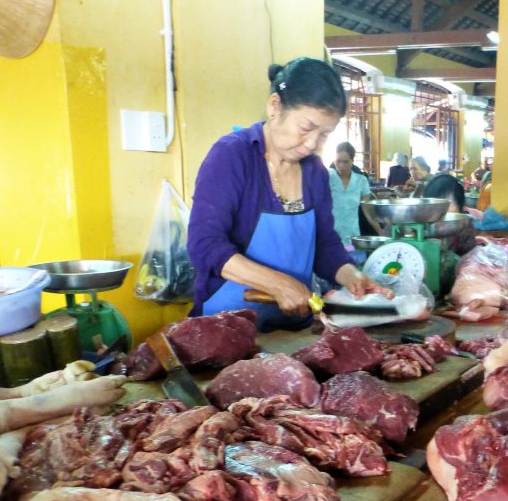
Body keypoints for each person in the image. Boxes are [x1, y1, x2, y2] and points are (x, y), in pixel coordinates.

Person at [187, 58, 389, 331]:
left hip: (292, 329)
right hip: (226, 329)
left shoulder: (315, 172)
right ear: (274, 106)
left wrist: (353, 278)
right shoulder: (232, 156)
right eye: (306, 128)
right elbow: (205, 246)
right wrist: (277, 284)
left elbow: (324, 245)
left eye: (324, 135)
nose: (312, 145)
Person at [328, 141, 373, 247]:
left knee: (353, 262)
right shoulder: (328, 177)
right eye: (338, 161)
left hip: (352, 238)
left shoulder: (361, 181)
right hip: (330, 238)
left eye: (345, 162)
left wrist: (380, 231)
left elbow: (367, 209)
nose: (341, 165)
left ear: (352, 161)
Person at [423, 174, 476, 256]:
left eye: (447, 204)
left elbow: (470, 257)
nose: (440, 212)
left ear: (460, 207)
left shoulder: (465, 226)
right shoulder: (421, 227)